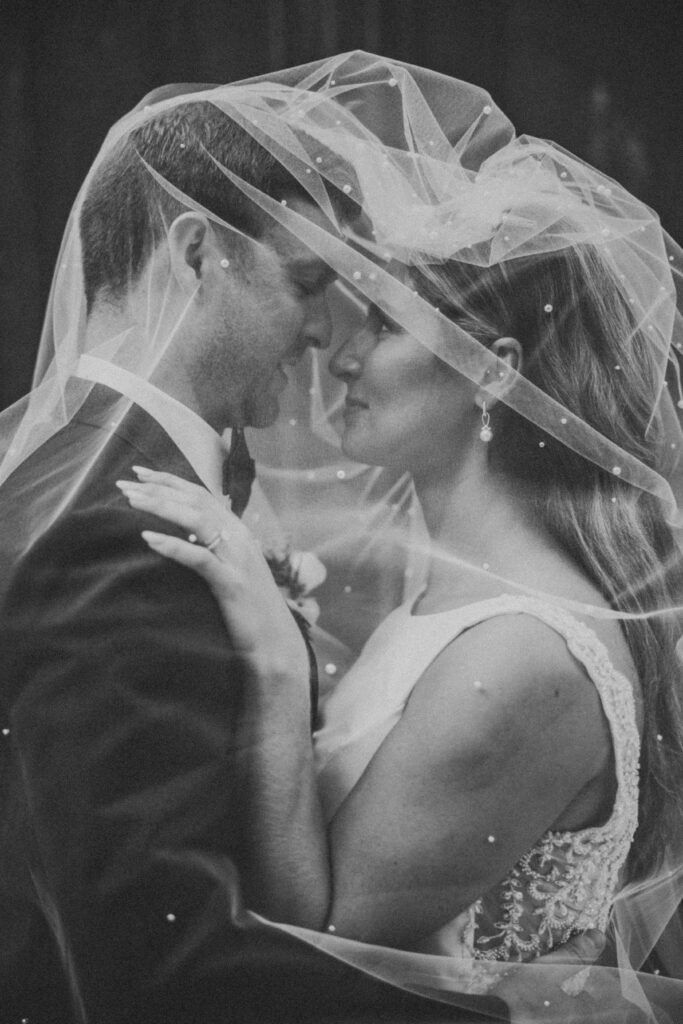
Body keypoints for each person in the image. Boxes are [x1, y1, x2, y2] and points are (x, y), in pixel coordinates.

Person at [0, 58, 603, 1024]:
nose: (330, 335)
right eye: (307, 280)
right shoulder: (114, 532)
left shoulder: (107, 486)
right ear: (194, 255)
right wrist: (527, 1016)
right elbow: (165, 973)